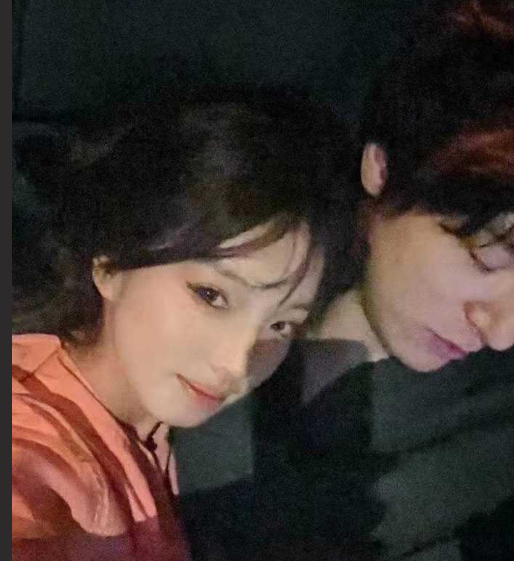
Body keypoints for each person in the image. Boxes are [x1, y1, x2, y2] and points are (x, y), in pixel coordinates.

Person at [173, 2, 514, 560]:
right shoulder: (215, 272)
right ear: (383, 169)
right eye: (486, 261)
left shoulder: (490, 450)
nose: (500, 333)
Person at [11, 88, 350, 560]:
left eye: (281, 326)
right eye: (211, 295)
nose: (236, 365)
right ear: (110, 264)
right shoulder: (36, 457)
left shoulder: (147, 429)